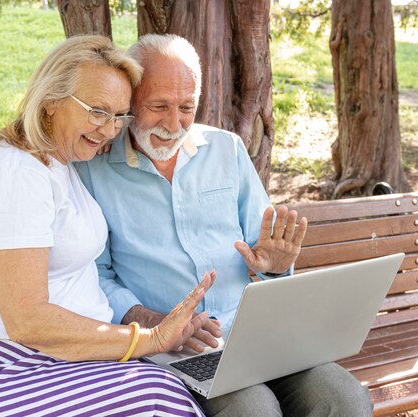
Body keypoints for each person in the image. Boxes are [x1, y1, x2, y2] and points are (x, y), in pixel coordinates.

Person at [75, 34, 373, 416]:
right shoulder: (94, 172)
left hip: (257, 334)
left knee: (344, 398)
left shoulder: (226, 149)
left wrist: (276, 266)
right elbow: (95, 274)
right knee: (253, 410)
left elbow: (265, 255)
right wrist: (150, 321)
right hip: (176, 348)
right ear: (130, 100)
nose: (173, 124)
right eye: (158, 106)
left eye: (186, 107)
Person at [0, 34, 215, 417]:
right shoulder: (14, 173)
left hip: (66, 361)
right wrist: (147, 339)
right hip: (0, 368)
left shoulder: (61, 164)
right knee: (156, 397)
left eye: (119, 116)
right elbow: (27, 321)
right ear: (50, 102)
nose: (110, 130)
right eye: (97, 111)